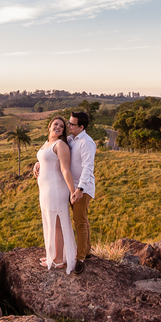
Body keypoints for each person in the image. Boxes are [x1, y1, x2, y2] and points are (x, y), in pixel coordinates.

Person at [35, 116, 79, 273]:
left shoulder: (60, 145)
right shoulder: (47, 143)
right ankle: (52, 254)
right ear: (49, 126)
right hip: (45, 190)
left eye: (61, 126)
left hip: (55, 189)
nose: (58, 127)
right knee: (49, 221)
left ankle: (59, 259)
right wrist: (37, 164)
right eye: (55, 124)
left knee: (58, 224)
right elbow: (46, 158)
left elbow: (65, 169)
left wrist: (73, 191)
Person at [66, 111, 96, 273]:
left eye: (72, 124)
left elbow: (88, 167)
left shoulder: (87, 142)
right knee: (82, 219)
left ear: (81, 127)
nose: (69, 125)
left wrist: (80, 189)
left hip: (82, 188)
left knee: (79, 222)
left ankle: (80, 258)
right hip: (73, 186)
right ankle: (87, 251)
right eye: (69, 122)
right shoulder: (71, 139)